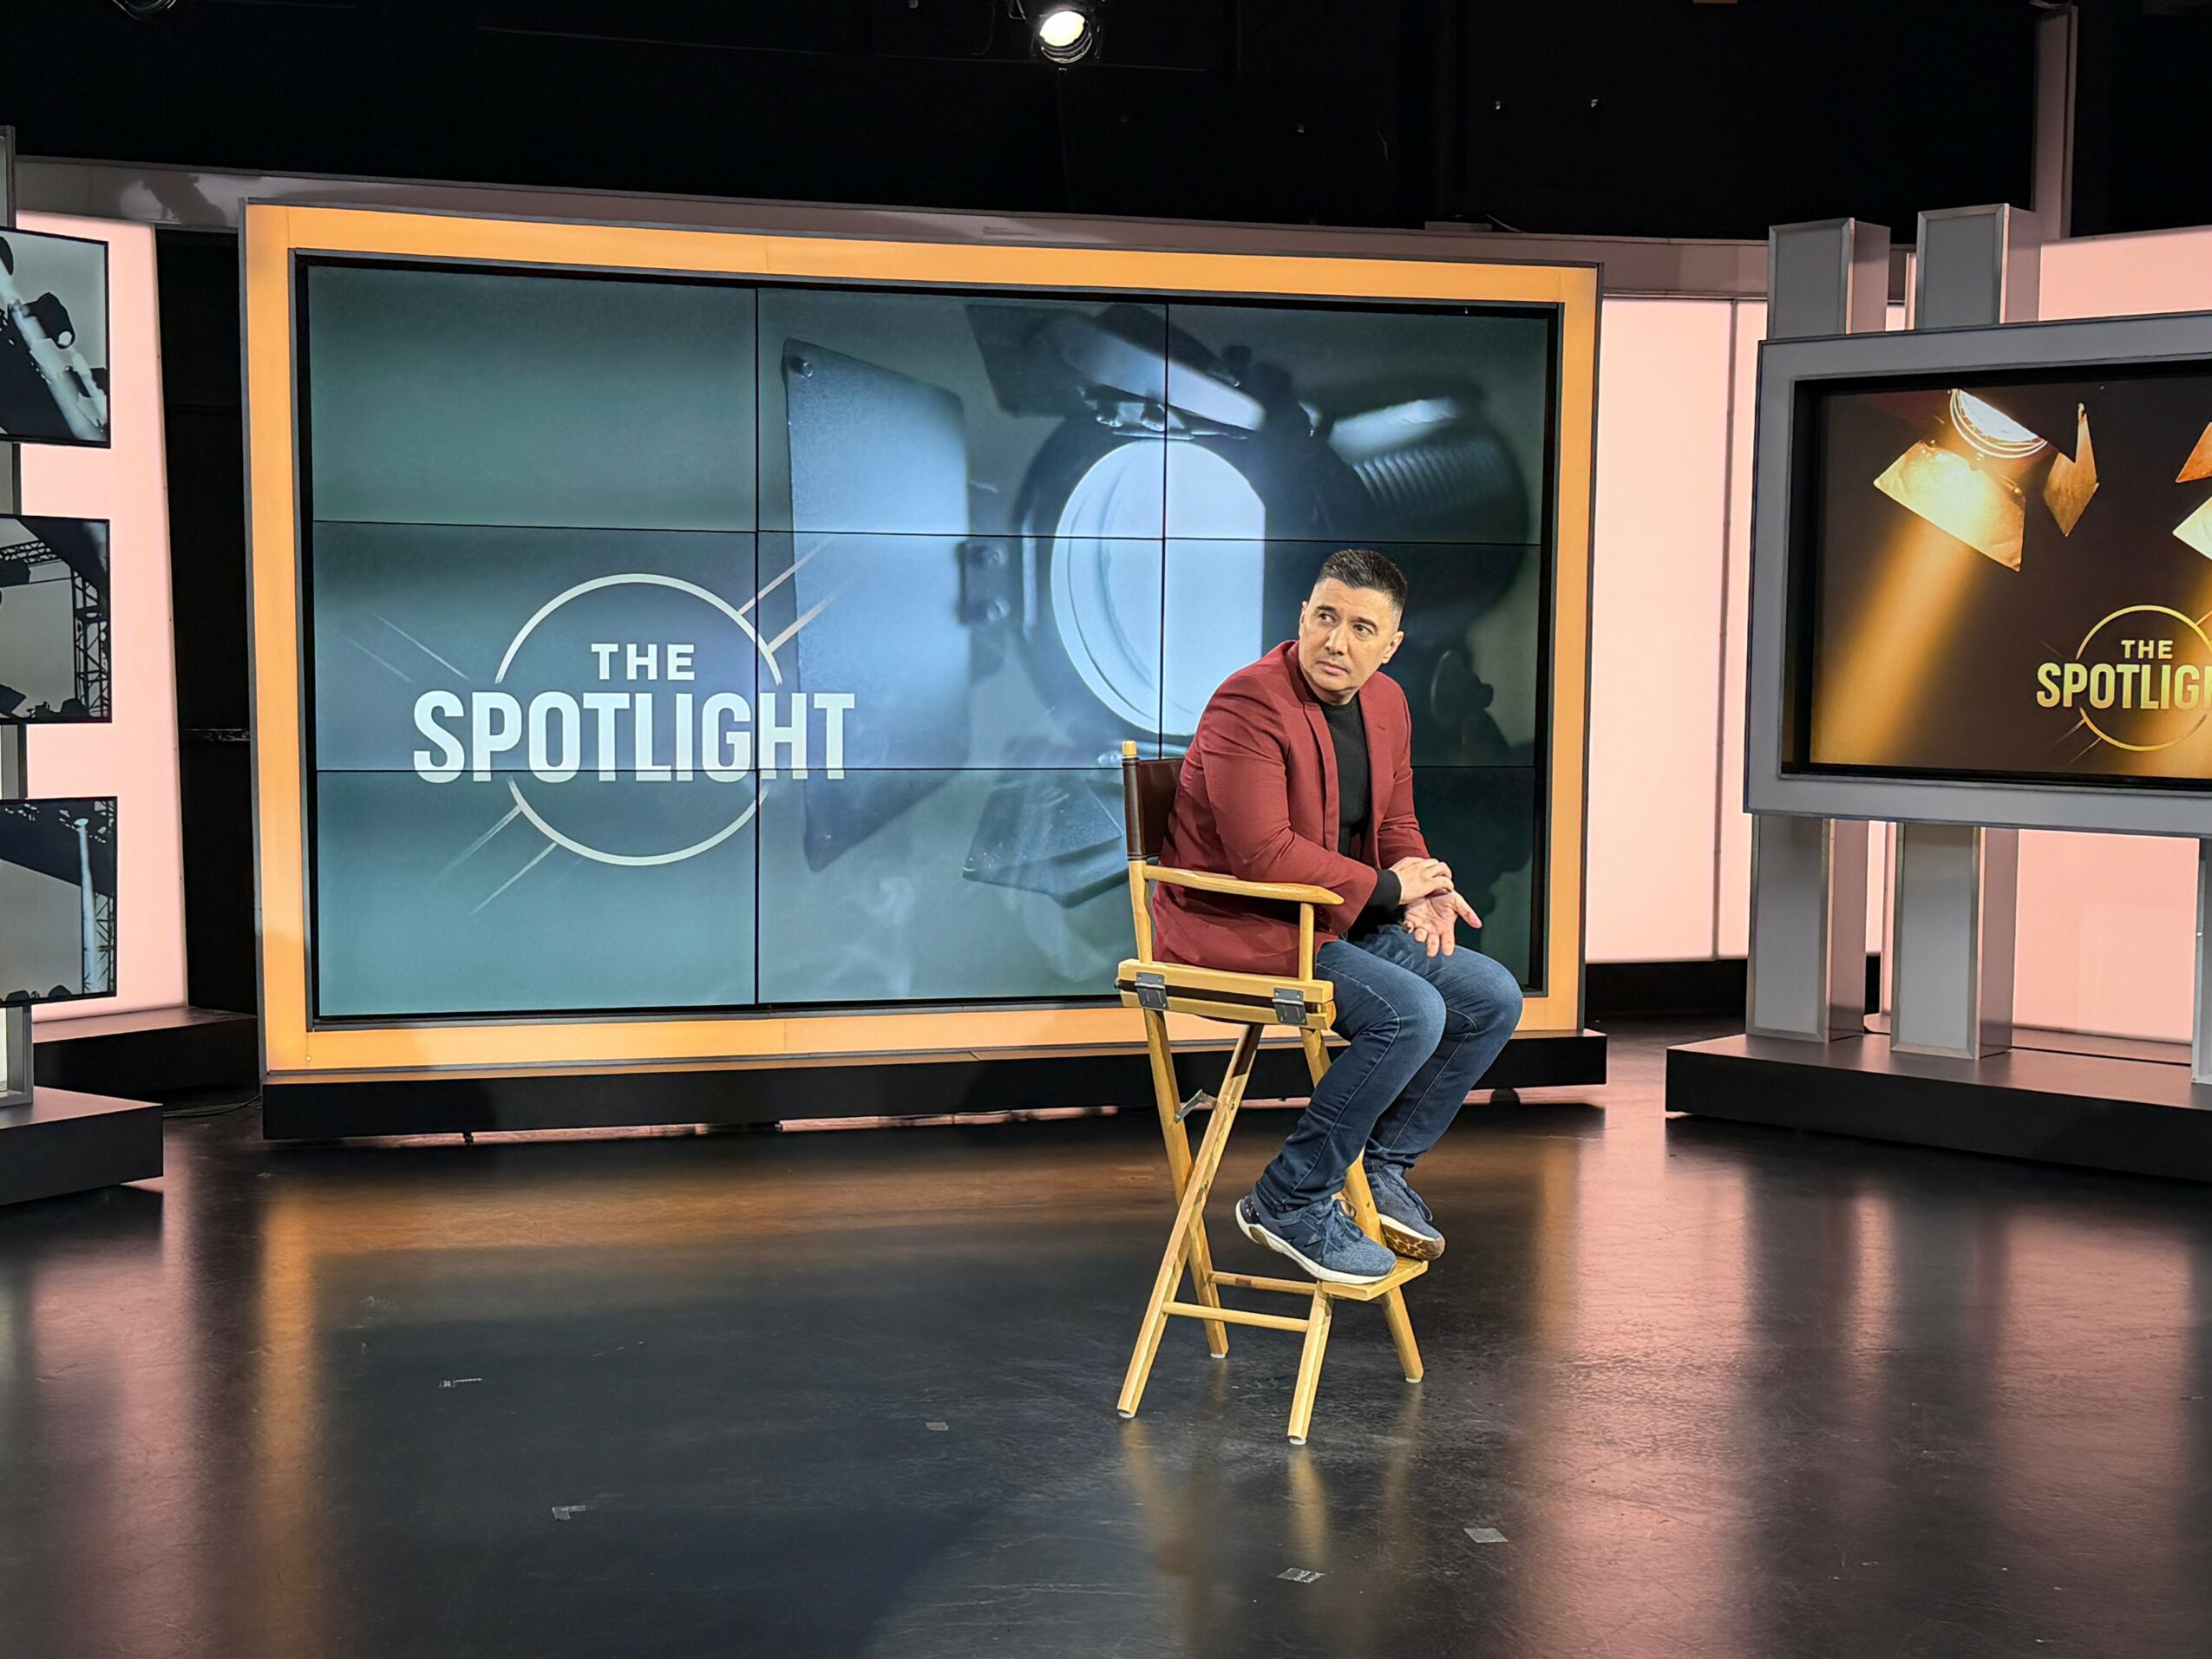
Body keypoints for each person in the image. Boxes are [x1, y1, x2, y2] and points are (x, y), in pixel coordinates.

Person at [1151, 547, 1523, 1287]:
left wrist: (1424, 887)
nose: (1337, 641)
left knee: (1489, 998)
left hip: (1329, 921)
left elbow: (1398, 820)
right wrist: (1390, 885)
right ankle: (1289, 1197)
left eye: (1361, 627)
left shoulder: (1388, 703)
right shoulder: (1248, 701)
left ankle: (1380, 1170)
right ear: (1301, 617)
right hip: (1239, 927)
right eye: (1326, 617)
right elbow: (1260, 855)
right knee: (1410, 1010)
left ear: (1390, 646)